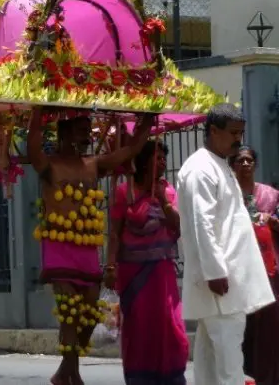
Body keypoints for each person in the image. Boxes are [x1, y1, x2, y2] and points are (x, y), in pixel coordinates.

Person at [27, 106, 154, 385]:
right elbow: (33, 146)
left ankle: (65, 371)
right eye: (81, 130)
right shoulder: (49, 165)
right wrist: (37, 113)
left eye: (87, 130)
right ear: (65, 132)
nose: (87, 135)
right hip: (58, 243)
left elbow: (129, 152)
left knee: (89, 311)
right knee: (69, 309)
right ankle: (72, 374)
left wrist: (147, 122)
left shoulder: (93, 164)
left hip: (86, 246)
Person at [177, 104, 274, 385]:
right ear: (214, 131)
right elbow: (202, 224)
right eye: (233, 133)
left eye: (241, 133)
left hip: (224, 282)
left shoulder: (218, 165)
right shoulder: (200, 169)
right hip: (221, 282)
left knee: (210, 360)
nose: (238, 139)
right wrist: (215, 272)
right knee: (230, 363)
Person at [105, 140, 189, 384]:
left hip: (162, 273)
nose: (163, 161)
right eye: (157, 157)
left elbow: (180, 226)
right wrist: (110, 267)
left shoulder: (169, 191)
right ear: (143, 161)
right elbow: (114, 233)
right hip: (133, 275)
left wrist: (163, 199)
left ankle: (172, 376)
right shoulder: (124, 192)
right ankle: (140, 377)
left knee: (170, 325)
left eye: (164, 157)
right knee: (140, 327)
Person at [229, 146, 279, 385]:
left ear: (255, 165)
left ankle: (267, 378)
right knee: (243, 327)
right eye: (241, 160)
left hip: (269, 270)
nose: (246, 164)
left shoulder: (270, 195)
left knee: (269, 326)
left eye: (249, 160)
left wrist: (272, 221)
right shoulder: (227, 195)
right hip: (238, 271)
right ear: (233, 166)